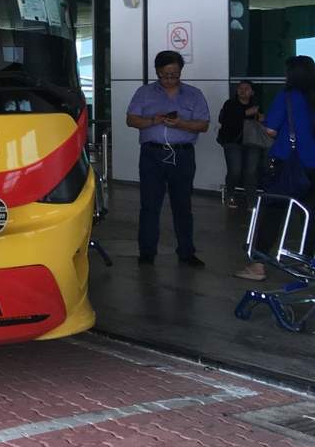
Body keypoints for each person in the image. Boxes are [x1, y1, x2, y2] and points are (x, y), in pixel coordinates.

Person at [125, 50, 211, 267]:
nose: (169, 79)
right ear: (157, 72)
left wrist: (181, 124)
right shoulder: (144, 93)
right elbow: (131, 120)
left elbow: (203, 125)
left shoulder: (194, 94)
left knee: (182, 205)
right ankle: (147, 252)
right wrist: (154, 120)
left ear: (180, 71)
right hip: (152, 155)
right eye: (165, 75)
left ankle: (186, 252)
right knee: (149, 205)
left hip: (182, 155)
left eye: (174, 74)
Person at [235, 55, 315, 281]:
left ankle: (258, 265)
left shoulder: (287, 96)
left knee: (273, 212)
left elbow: (270, 130)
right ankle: (308, 264)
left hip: (288, 164)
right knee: (310, 215)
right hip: (313, 166)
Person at [217, 80, 266, 208]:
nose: (243, 90)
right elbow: (224, 120)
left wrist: (262, 118)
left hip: (253, 142)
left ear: (252, 92)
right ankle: (230, 195)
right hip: (232, 141)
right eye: (240, 88)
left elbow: (264, 122)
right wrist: (245, 113)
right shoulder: (230, 104)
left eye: (246, 88)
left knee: (251, 172)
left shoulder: (257, 105)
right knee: (235, 171)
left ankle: (252, 201)